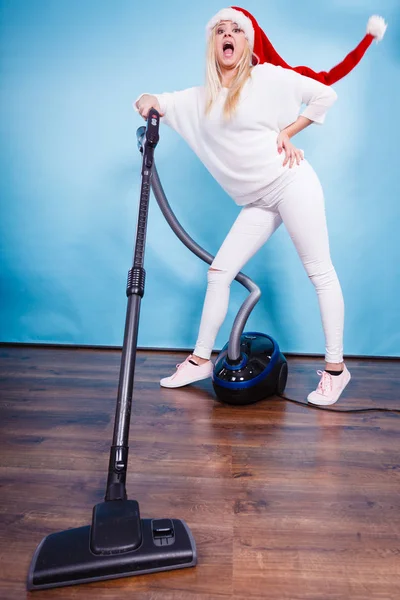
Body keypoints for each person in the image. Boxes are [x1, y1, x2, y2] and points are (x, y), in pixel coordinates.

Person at [135, 7, 387, 406]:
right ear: (213, 42)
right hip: (258, 199)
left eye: (237, 29)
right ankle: (201, 359)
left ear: (248, 41)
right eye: (221, 29)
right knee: (219, 272)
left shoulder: (268, 78)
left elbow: (326, 93)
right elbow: (156, 100)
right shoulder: (200, 99)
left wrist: (287, 131)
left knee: (320, 272)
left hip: (291, 183)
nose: (228, 35)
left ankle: (336, 371)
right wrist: (146, 101)